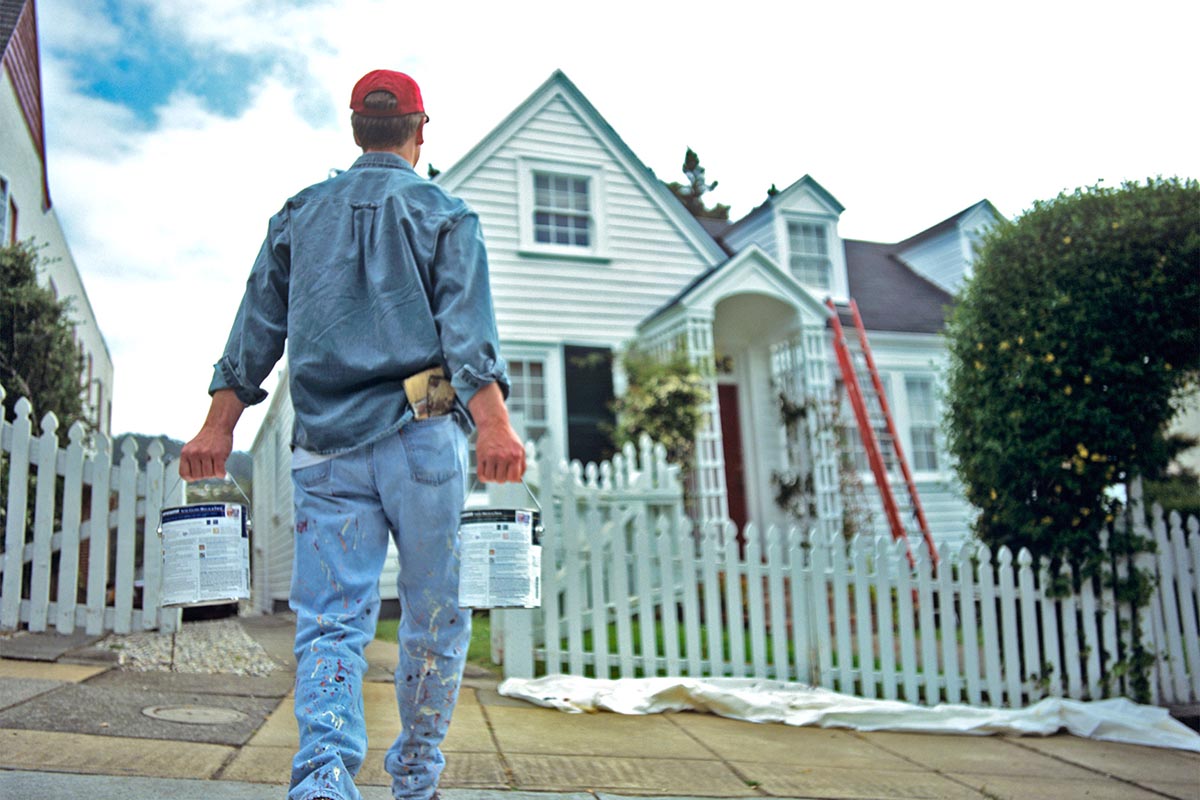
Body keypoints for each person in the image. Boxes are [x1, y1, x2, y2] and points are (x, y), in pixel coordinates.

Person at [180, 69, 525, 800]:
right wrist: (492, 423)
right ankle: (416, 779)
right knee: (434, 614)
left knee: (331, 624)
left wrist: (218, 424)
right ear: (420, 131)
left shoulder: (301, 214)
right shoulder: (445, 213)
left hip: (325, 437)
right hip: (422, 421)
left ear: (354, 130)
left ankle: (323, 784)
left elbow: (257, 327)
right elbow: (466, 334)